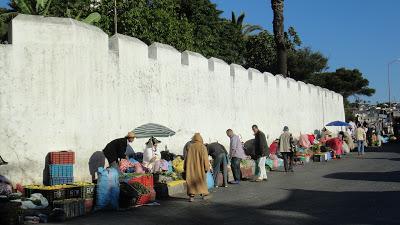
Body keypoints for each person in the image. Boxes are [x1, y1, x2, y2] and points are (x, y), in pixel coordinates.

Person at [184, 133, 210, 202]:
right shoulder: (203, 147)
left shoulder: (190, 147)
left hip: (191, 169)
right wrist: (207, 168)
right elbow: (205, 159)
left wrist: (185, 167)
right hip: (200, 169)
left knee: (191, 181)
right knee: (201, 181)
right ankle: (204, 194)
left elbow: (186, 158)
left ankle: (191, 196)